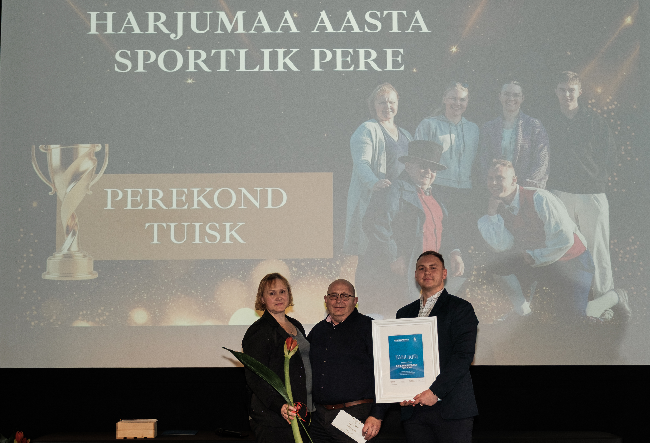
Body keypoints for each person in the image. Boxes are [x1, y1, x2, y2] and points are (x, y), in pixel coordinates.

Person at [544, 71, 629, 320]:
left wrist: (594, 178)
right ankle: (570, 301)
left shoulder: (594, 121)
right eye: (562, 89)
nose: (567, 94)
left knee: (597, 249)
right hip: (559, 193)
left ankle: (605, 299)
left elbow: (610, 154)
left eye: (571, 90)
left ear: (580, 91)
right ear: (556, 92)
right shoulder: (549, 121)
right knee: (564, 248)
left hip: (591, 194)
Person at [357, 140, 464, 318]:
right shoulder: (394, 189)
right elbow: (375, 223)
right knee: (393, 320)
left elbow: (444, 228)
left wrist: (455, 252)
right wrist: (393, 256)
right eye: (423, 166)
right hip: (397, 273)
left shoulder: (436, 196)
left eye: (433, 168)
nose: (428, 172)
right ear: (408, 166)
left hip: (425, 275)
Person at [478, 160, 596, 319]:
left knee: (573, 318)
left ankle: (610, 299)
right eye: (490, 178)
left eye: (499, 178)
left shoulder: (539, 198)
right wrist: (492, 214)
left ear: (514, 180)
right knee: (499, 263)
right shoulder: (497, 205)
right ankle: (523, 312)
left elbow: (565, 240)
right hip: (541, 263)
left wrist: (535, 256)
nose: (493, 183)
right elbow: (501, 246)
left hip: (573, 262)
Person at [396, 251, 478, 443]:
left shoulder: (461, 308)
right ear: (415, 275)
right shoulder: (404, 313)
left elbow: (463, 356)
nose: (427, 272)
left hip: (451, 409)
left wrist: (435, 392)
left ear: (444, 273)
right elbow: (400, 357)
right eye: (421, 268)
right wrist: (401, 391)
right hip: (414, 411)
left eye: (433, 268)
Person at [342, 83, 413, 279]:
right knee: (372, 257)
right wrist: (374, 183)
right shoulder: (367, 129)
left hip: (399, 206)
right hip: (376, 204)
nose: (387, 106)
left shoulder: (406, 134)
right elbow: (361, 163)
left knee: (396, 256)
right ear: (373, 105)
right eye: (382, 102)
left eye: (391, 102)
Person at [414, 82, 480, 283]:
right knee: (440, 240)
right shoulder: (429, 124)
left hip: (465, 191)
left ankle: (457, 290)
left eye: (462, 99)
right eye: (453, 98)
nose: (457, 103)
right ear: (444, 99)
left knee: (461, 240)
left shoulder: (474, 129)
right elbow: (417, 158)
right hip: (438, 188)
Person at [308, 279, 389, 442]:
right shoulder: (317, 331)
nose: (339, 300)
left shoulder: (371, 328)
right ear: (325, 300)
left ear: (355, 300)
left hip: (355, 417)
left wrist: (377, 414)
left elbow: (386, 373)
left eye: (345, 296)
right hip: (318, 419)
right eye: (333, 296)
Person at [242, 273, 313, 443]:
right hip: (275, 420)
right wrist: (279, 405)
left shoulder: (296, 325)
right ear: (262, 299)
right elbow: (255, 377)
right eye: (272, 293)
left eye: (282, 291)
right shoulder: (259, 331)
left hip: (301, 414)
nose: (279, 297)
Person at [479, 81, 549, 188]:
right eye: (506, 94)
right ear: (500, 96)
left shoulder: (534, 126)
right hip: (496, 189)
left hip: (525, 188)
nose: (511, 98)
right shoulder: (488, 127)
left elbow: (542, 160)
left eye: (516, 95)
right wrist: (493, 183)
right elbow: (483, 160)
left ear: (522, 98)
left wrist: (526, 186)